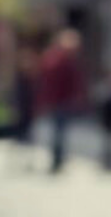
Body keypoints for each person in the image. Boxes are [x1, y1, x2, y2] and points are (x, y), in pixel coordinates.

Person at [35, 27, 87, 173]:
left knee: (59, 132)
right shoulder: (58, 59)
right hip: (59, 101)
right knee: (58, 132)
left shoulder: (63, 59)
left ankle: (57, 159)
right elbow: (48, 81)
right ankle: (56, 160)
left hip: (62, 101)